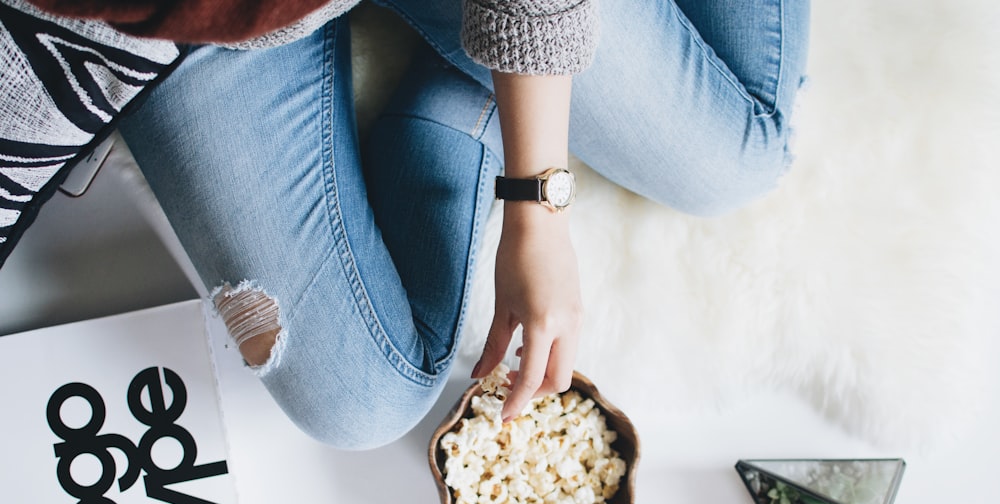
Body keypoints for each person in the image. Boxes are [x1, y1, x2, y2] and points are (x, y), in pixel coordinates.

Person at [27, 0, 810, 449]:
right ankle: (464, 85)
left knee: (732, 162)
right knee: (357, 404)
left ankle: (486, 71)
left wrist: (536, 205)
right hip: (186, 26)